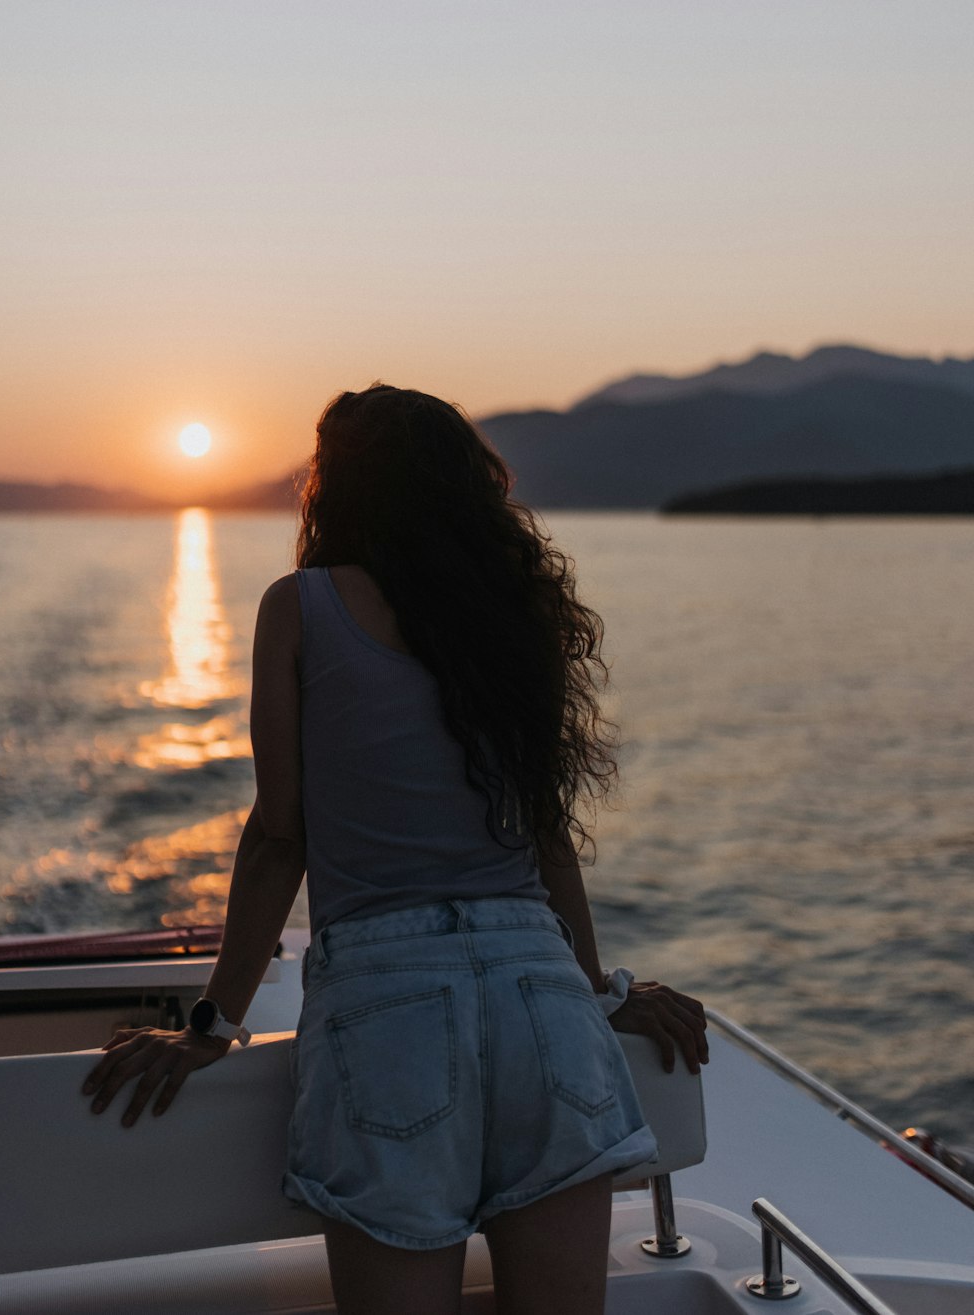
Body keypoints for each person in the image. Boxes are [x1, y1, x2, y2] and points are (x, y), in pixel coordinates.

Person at [81, 384, 708, 1315]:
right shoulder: (509, 616)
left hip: (388, 1013)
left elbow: (279, 834)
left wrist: (212, 1023)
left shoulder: (300, 607)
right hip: (545, 1005)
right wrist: (600, 988)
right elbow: (548, 840)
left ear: (337, 488)